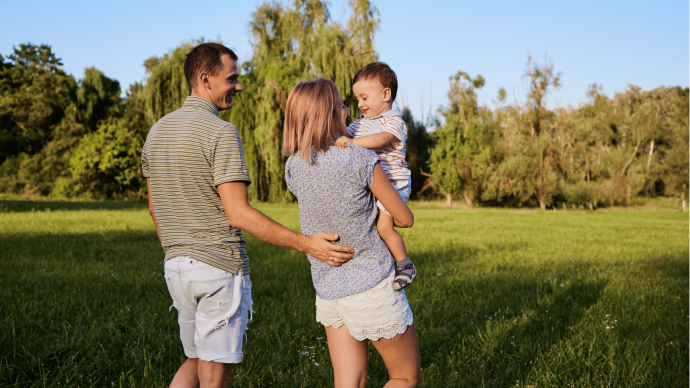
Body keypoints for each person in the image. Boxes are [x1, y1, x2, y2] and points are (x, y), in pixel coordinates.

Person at [141, 43, 354, 388]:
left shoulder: (157, 132)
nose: (239, 86)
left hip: (175, 267)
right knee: (214, 372)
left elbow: (154, 208)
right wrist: (307, 244)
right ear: (206, 79)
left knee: (196, 359)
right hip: (217, 268)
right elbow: (238, 214)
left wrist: (178, 252)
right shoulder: (221, 133)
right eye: (232, 78)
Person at [284, 78, 420, 388]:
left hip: (329, 290)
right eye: (343, 106)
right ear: (330, 112)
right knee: (404, 377)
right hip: (371, 284)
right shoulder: (358, 157)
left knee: (348, 383)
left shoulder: (293, 166)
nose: (349, 110)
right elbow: (404, 218)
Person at [335, 62, 416, 291]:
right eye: (357, 100)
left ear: (386, 94)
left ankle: (405, 264)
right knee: (372, 225)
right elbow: (340, 136)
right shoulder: (359, 124)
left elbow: (381, 140)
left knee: (384, 228)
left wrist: (352, 142)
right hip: (372, 185)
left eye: (364, 98)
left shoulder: (394, 122)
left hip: (394, 183)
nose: (360, 104)